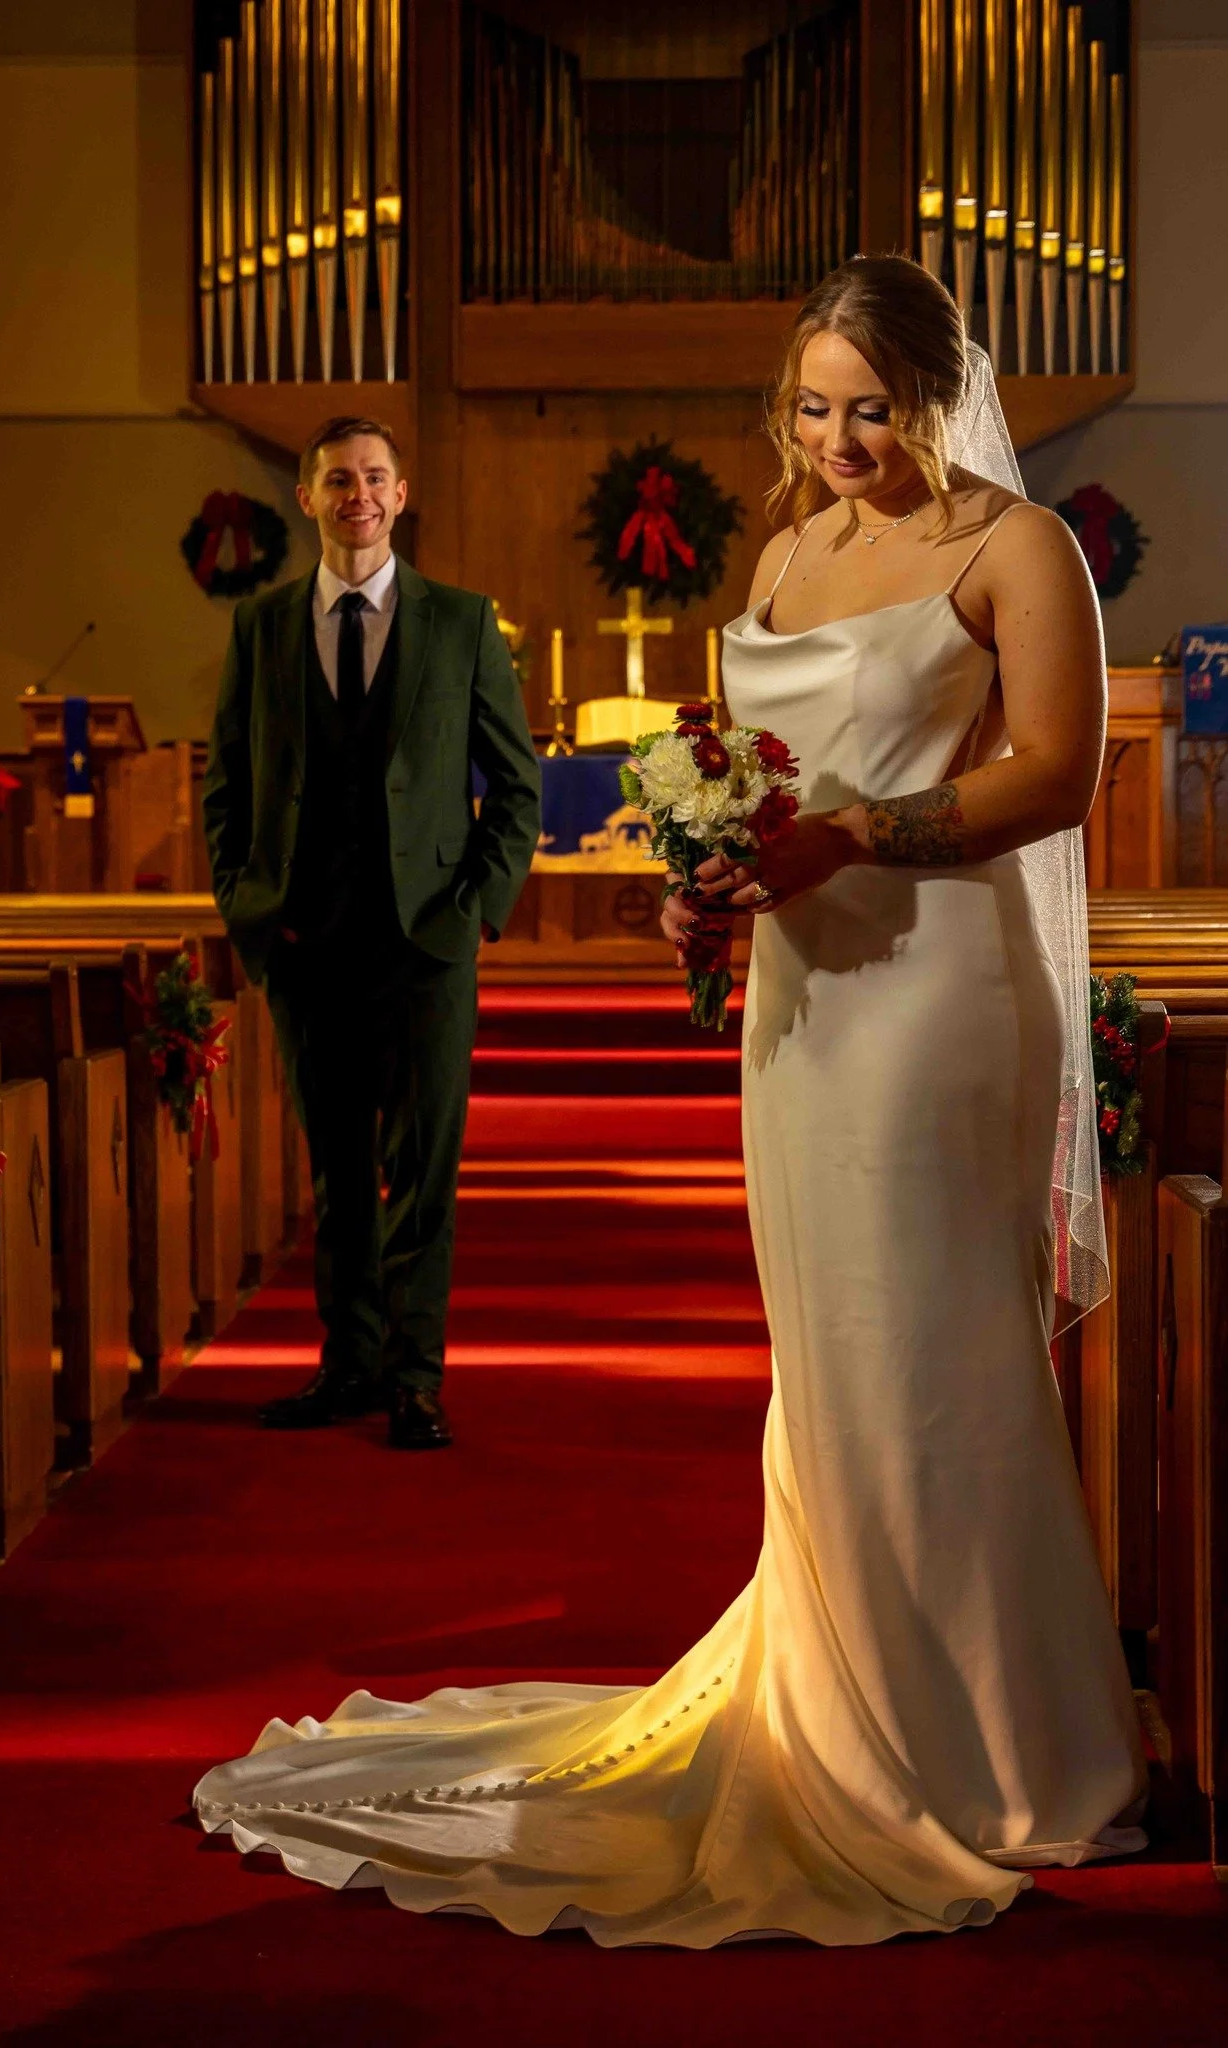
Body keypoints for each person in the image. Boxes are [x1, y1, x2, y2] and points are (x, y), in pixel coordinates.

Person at [194, 260, 1147, 1945]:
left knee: (936, 1349)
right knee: (834, 1356)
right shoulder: (782, 552)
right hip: (801, 993)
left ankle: (997, 1739)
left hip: (939, 990)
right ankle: (843, 1689)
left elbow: (1056, 776)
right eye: (814, 407)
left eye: (873, 408)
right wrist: (712, 885)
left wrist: (849, 838)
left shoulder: (1016, 547)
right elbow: (761, 771)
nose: (840, 439)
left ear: (939, 394)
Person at [202, 417, 540, 1451]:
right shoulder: (262, 627)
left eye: (375, 477)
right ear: (308, 497)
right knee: (338, 1169)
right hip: (306, 940)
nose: (358, 494)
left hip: (425, 941)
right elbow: (226, 785)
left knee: (423, 1169)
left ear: (401, 495)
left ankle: (415, 1379)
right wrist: (248, 904)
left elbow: (516, 786)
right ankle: (347, 1364)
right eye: (339, 479)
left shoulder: (460, 621)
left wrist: (474, 911)